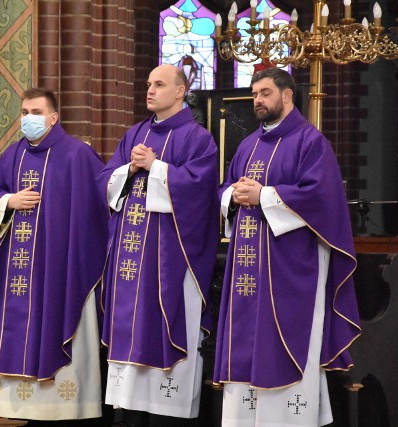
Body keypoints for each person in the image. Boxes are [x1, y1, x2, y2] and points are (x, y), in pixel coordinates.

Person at [214, 67, 361, 426]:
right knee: (244, 342)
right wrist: (232, 196)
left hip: (291, 272)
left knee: (287, 342)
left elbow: (322, 200)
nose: (257, 100)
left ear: (288, 96)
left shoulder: (311, 142)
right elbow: (225, 188)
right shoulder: (248, 145)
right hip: (247, 272)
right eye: (254, 94)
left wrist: (263, 195)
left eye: (265, 93)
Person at [98, 64, 220, 425]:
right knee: (129, 333)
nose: (149, 90)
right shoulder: (134, 133)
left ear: (180, 92)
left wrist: (156, 167)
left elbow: (200, 192)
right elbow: (104, 181)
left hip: (170, 259)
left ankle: (167, 416)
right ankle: (128, 414)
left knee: (165, 327)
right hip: (130, 261)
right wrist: (129, 171)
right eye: (148, 83)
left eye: (159, 84)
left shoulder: (198, 138)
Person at [0, 88, 108, 423]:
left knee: (62, 328)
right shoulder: (14, 154)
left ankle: (68, 412)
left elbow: (101, 209)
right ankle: (26, 413)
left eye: (35, 112)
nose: (28, 119)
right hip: (21, 274)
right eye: (23, 112)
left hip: (61, 273)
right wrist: (8, 202)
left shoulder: (78, 154)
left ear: (53, 118)